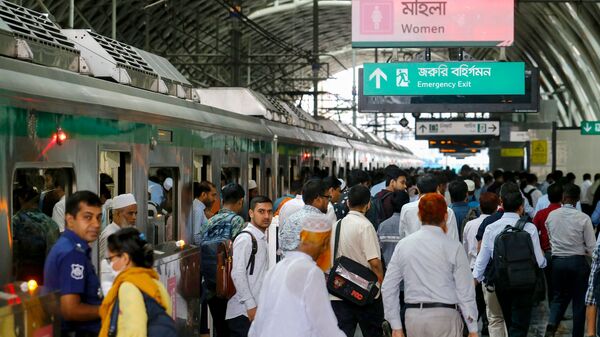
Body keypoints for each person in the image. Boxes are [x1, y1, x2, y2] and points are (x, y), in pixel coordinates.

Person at [382, 193, 478, 337]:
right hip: (446, 316)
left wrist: (395, 325)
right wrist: (472, 327)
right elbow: (466, 291)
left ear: (419, 216)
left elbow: (388, 286)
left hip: (414, 317)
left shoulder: (404, 245)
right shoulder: (454, 247)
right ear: (446, 217)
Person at [248, 213, 346, 337]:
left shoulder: (277, 268)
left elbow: (259, 319)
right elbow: (324, 325)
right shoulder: (310, 272)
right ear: (325, 243)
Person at [473, 183, 547, 337]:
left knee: (507, 320)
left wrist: (477, 280)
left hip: (502, 283)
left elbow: (482, 260)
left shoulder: (491, 228)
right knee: (520, 324)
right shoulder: (529, 227)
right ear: (521, 207)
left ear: (501, 204)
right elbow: (540, 262)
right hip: (525, 284)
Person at [44, 191, 103, 337]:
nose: (96, 224)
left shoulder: (70, 246)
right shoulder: (72, 253)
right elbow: (70, 310)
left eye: (98, 217)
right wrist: (108, 309)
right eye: (88, 217)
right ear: (70, 220)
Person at [98, 227, 175, 337]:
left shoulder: (128, 287)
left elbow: (134, 332)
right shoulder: (155, 283)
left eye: (111, 259)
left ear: (125, 258)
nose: (110, 265)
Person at [330, 185, 385, 337]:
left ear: (348, 203)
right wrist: (380, 285)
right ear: (368, 204)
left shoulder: (336, 225)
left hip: (339, 291)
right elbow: (374, 262)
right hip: (364, 293)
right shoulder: (366, 226)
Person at [545, 184, 596, 337]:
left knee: (558, 297)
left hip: (558, 262)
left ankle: (552, 324)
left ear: (563, 197)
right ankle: (577, 334)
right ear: (577, 200)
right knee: (579, 302)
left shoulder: (551, 216)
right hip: (577, 263)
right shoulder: (583, 218)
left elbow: (550, 237)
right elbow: (592, 246)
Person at [200, 183, 246, 337]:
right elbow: (239, 253)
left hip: (212, 286)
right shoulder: (237, 221)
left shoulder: (209, 222)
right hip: (230, 286)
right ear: (240, 201)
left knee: (220, 329)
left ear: (222, 199)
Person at [226, 196, 273, 337]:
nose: (266, 216)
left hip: (254, 312)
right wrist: (250, 305)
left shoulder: (261, 238)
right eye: (261, 211)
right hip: (243, 313)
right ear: (251, 213)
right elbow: (237, 273)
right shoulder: (246, 238)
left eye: (269, 212)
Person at [462, 192, 499, 336]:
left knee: (475, 303)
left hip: (473, 269)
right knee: (490, 306)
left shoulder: (470, 225)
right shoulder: (497, 224)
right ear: (497, 207)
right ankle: (487, 328)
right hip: (490, 270)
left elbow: (465, 248)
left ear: (480, 207)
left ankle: (470, 330)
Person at [12, 186, 60, 284]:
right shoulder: (51, 223)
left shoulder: (15, 221)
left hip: (20, 275)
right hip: (46, 275)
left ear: (21, 200)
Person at [399, 174, 459, 241]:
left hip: (412, 249)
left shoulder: (406, 209)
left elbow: (402, 234)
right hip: (439, 250)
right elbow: (453, 238)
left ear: (418, 190)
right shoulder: (447, 211)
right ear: (437, 189)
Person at [99, 193, 138, 295]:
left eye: (135, 213)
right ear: (117, 214)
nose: (134, 217)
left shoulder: (130, 231)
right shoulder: (109, 235)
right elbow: (106, 270)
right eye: (130, 213)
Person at [279, 179, 329, 253]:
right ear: (318, 199)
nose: (328, 201)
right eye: (327, 197)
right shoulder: (320, 223)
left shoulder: (290, 219)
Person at [377, 191, 410, 267]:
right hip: (408, 271)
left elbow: (378, 250)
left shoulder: (382, 226)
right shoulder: (410, 224)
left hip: (389, 270)